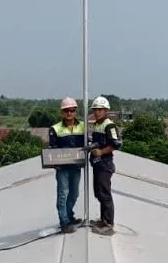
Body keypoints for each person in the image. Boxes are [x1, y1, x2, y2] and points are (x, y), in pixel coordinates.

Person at [49, 97, 85, 233]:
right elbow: (52, 149)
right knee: (63, 194)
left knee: (74, 193)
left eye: (72, 110)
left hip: (76, 167)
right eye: (66, 111)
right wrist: (54, 163)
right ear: (62, 112)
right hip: (62, 168)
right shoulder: (55, 129)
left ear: (76, 111)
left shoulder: (82, 126)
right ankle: (64, 222)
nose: (69, 113)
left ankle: (69, 216)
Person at [89, 96, 121, 235]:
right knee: (99, 192)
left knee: (104, 193)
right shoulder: (97, 124)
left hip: (105, 163)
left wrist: (101, 151)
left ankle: (108, 224)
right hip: (97, 163)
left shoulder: (109, 125)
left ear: (106, 110)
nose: (97, 112)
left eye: (100, 109)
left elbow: (116, 144)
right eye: (95, 109)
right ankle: (103, 220)